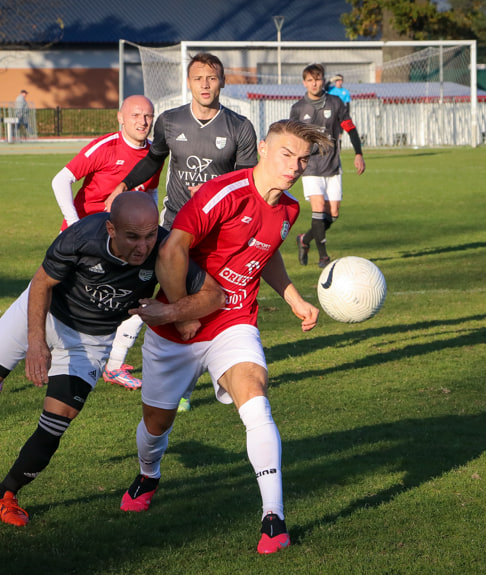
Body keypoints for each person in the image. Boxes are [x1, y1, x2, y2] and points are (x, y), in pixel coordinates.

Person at [0, 192, 225, 527]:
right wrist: (37, 343)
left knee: (56, 422)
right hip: (43, 312)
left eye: (149, 235)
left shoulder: (163, 249)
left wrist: (172, 310)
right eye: (133, 237)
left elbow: (215, 296)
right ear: (111, 228)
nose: (143, 246)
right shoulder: (81, 237)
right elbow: (41, 284)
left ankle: (5, 495)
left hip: (90, 340)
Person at [118, 120, 332, 555]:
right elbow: (171, 250)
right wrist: (181, 314)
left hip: (236, 321)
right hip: (177, 326)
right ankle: (149, 473)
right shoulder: (224, 193)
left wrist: (293, 298)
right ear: (266, 150)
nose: (295, 165)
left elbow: (265, 253)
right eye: (287, 154)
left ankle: (273, 518)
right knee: (156, 426)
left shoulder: (289, 210)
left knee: (255, 398)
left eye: (302, 159)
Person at [107, 52, 259, 412]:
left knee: (207, 301)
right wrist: (124, 184)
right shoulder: (170, 121)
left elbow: (246, 181)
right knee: (157, 293)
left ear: (223, 81)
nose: (205, 84)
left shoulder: (240, 127)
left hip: (220, 231)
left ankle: (185, 384)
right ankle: (115, 361)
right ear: (188, 83)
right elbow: (153, 158)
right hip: (175, 226)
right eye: (198, 78)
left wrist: (213, 191)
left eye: (212, 77)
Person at [51, 95, 160, 391]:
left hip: (122, 243)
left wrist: (153, 227)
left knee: (137, 300)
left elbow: (148, 194)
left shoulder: (153, 155)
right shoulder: (106, 147)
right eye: (136, 115)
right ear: (121, 118)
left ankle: (114, 366)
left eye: (148, 116)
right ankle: (0, 364)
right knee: (48, 300)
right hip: (85, 240)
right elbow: (60, 180)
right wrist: (74, 225)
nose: (143, 121)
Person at [290, 64, 365, 268]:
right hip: (311, 166)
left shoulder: (336, 102)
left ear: (323, 80)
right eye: (310, 80)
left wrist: (359, 153)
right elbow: (292, 138)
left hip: (332, 164)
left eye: (318, 79)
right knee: (318, 209)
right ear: (304, 82)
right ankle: (323, 256)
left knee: (333, 214)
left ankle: (304, 240)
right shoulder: (298, 108)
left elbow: (350, 128)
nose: (315, 83)